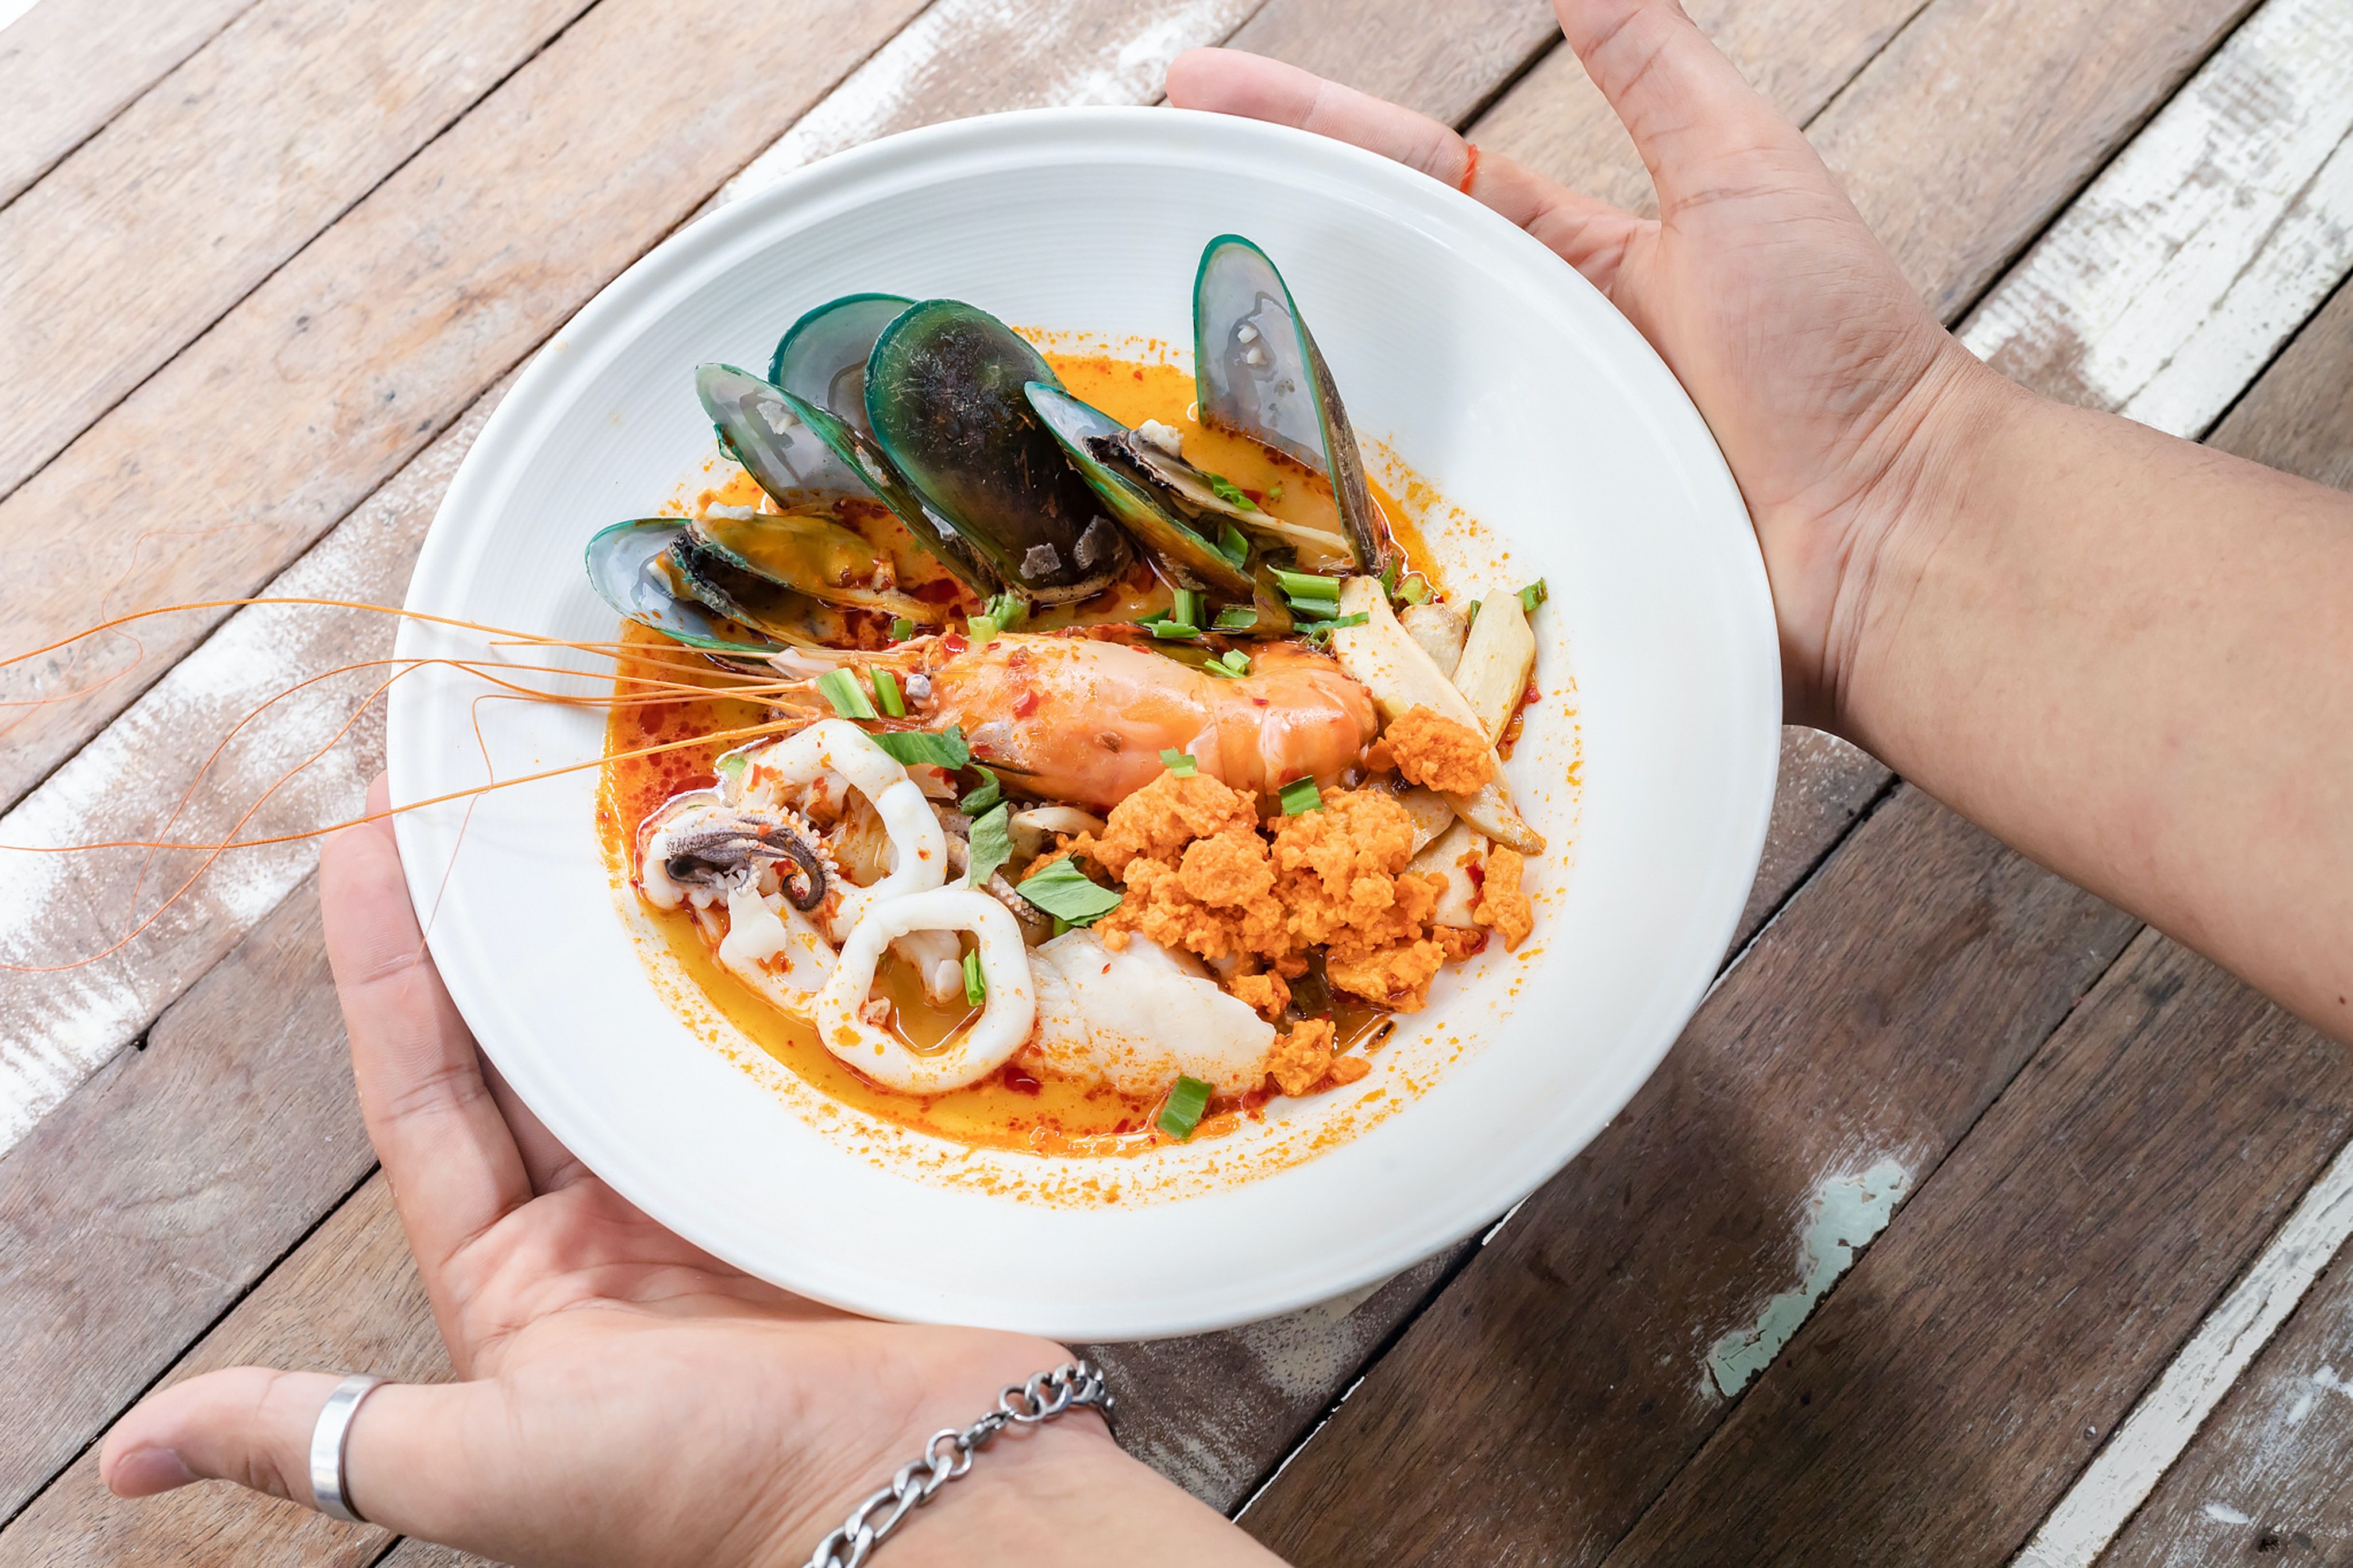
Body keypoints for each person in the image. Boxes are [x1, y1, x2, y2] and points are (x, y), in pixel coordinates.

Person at [98, 1, 2353, 1561]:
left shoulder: (1267, 768)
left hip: (1284, 863)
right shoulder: (949, 699)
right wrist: (1887, 502)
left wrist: (1884, 498)